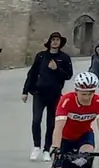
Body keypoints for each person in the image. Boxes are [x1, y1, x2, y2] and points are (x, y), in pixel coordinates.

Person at [24, 32, 74, 161]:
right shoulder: (41, 56)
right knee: (36, 120)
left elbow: (68, 75)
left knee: (51, 123)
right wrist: (25, 91)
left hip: (55, 94)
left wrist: (56, 69)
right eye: (53, 39)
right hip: (39, 93)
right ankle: (36, 146)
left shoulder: (64, 58)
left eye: (57, 40)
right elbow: (32, 74)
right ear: (49, 42)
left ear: (60, 42)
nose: (55, 42)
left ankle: (47, 149)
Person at [49, 72, 99, 162]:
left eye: (90, 94)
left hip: (84, 135)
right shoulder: (66, 100)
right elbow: (58, 127)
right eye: (83, 94)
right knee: (61, 162)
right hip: (64, 137)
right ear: (76, 91)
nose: (86, 98)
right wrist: (55, 147)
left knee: (86, 157)